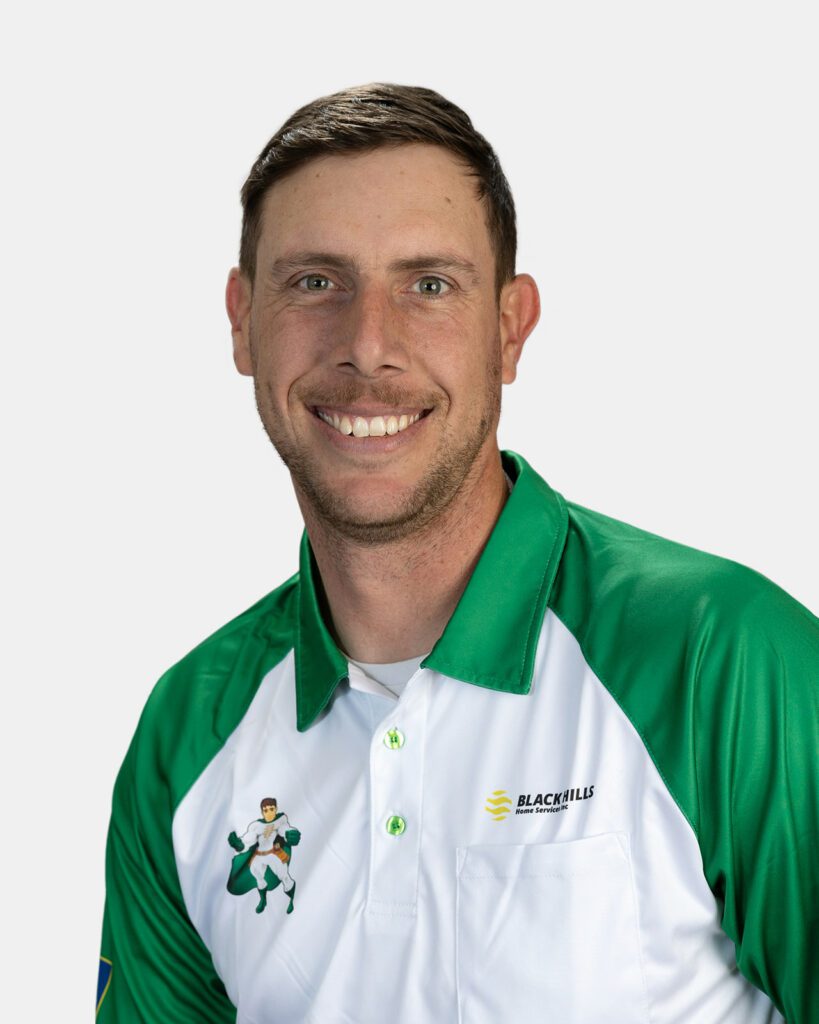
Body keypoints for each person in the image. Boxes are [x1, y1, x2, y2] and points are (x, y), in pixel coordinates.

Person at [97, 83, 817, 1023]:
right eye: (314, 282)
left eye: (428, 285)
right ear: (241, 320)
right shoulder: (187, 732)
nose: (368, 345)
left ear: (509, 329)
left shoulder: (724, 656)